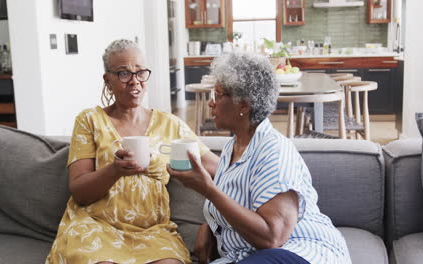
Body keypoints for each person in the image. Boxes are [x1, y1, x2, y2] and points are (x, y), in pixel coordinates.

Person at [167, 52, 352, 264]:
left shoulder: (274, 150)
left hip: (297, 252)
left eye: (218, 94)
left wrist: (209, 190)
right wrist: (209, 225)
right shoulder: (232, 148)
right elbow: (237, 204)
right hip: (249, 256)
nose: (211, 103)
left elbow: (272, 237)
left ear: (243, 105)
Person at [45, 39, 219, 264]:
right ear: (108, 80)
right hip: (97, 226)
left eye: (140, 72)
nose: (134, 81)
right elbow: (79, 191)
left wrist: (214, 222)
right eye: (123, 73)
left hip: (153, 231)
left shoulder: (171, 125)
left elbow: (220, 169)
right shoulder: (90, 121)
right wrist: (114, 171)